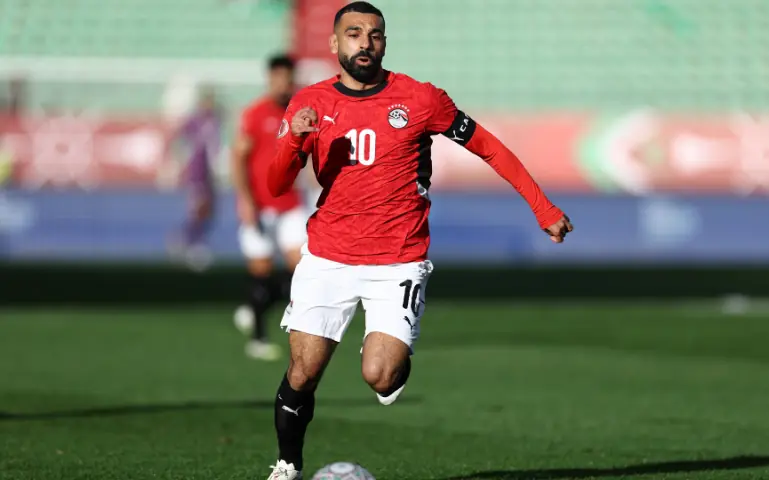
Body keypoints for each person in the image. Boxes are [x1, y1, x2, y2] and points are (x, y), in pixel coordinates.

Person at [265, 3, 573, 478]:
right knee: (303, 371)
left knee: (380, 375)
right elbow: (275, 186)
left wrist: (543, 207)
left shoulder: (420, 99)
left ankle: (394, 359)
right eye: (354, 33)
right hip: (328, 255)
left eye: (375, 35)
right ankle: (287, 465)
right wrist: (292, 141)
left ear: (384, 43)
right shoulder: (311, 103)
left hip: (398, 260)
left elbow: (488, 146)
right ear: (334, 43)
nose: (365, 43)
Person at [231, 54, 310, 361]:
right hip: (260, 206)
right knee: (261, 273)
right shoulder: (255, 114)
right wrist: (245, 199)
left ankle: (255, 308)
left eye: (287, 79)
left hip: (290, 205)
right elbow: (238, 158)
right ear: (270, 79)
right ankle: (258, 338)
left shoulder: (299, 114)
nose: (283, 85)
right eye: (277, 78)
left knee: (302, 270)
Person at [168, 87, 222, 271]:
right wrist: (179, 160)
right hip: (197, 171)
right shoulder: (194, 120)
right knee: (198, 207)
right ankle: (192, 243)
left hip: (209, 173)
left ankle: (188, 239)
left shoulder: (215, 120)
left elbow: (214, 145)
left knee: (209, 210)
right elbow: (178, 139)